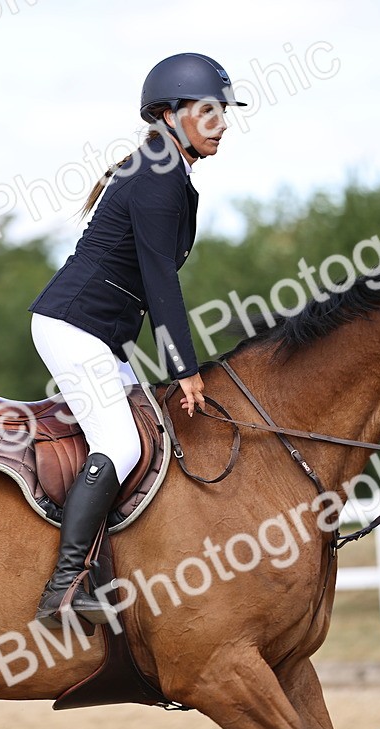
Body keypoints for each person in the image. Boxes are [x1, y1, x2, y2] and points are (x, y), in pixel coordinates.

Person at [28, 53, 245, 629]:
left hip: (101, 336)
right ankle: (64, 587)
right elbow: (159, 279)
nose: (221, 122)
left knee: (152, 435)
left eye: (223, 111)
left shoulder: (168, 170)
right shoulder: (157, 174)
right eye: (208, 110)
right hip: (73, 327)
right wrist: (185, 368)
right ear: (170, 114)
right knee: (122, 445)